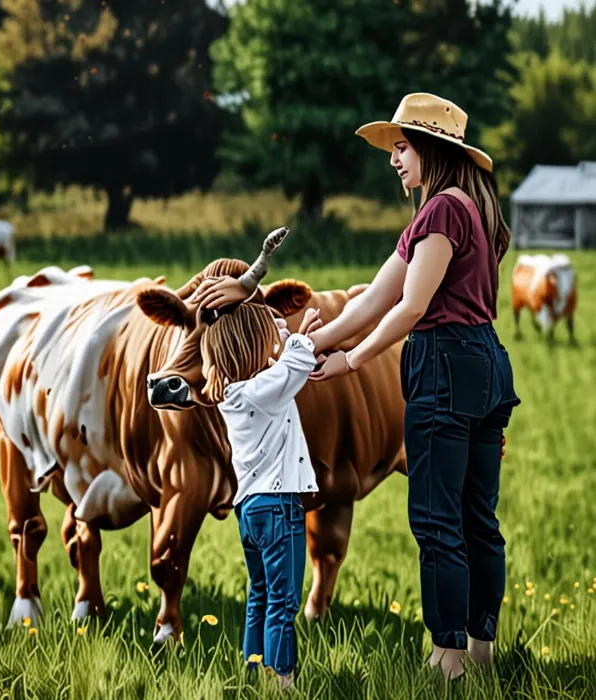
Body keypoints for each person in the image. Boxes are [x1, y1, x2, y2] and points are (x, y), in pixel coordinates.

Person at [194, 92, 521, 681]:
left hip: (444, 366)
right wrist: (307, 343)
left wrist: (352, 361)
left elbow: (410, 307)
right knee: (478, 517)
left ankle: (448, 658)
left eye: (400, 148)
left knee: (437, 519)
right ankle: (480, 650)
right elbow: (371, 300)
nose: (394, 160)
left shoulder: (441, 211)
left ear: (430, 148)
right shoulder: (469, 209)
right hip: (487, 364)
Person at [198, 298, 322, 689]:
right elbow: (295, 368)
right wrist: (300, 338)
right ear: (251, 347)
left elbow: (283, 369)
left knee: (259, 598)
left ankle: (253, 673)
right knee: (283, 603)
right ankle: (281, 682)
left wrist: (288, 339)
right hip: (279, 505)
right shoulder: (260, 391)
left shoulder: (235, 395)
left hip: (250, 510)